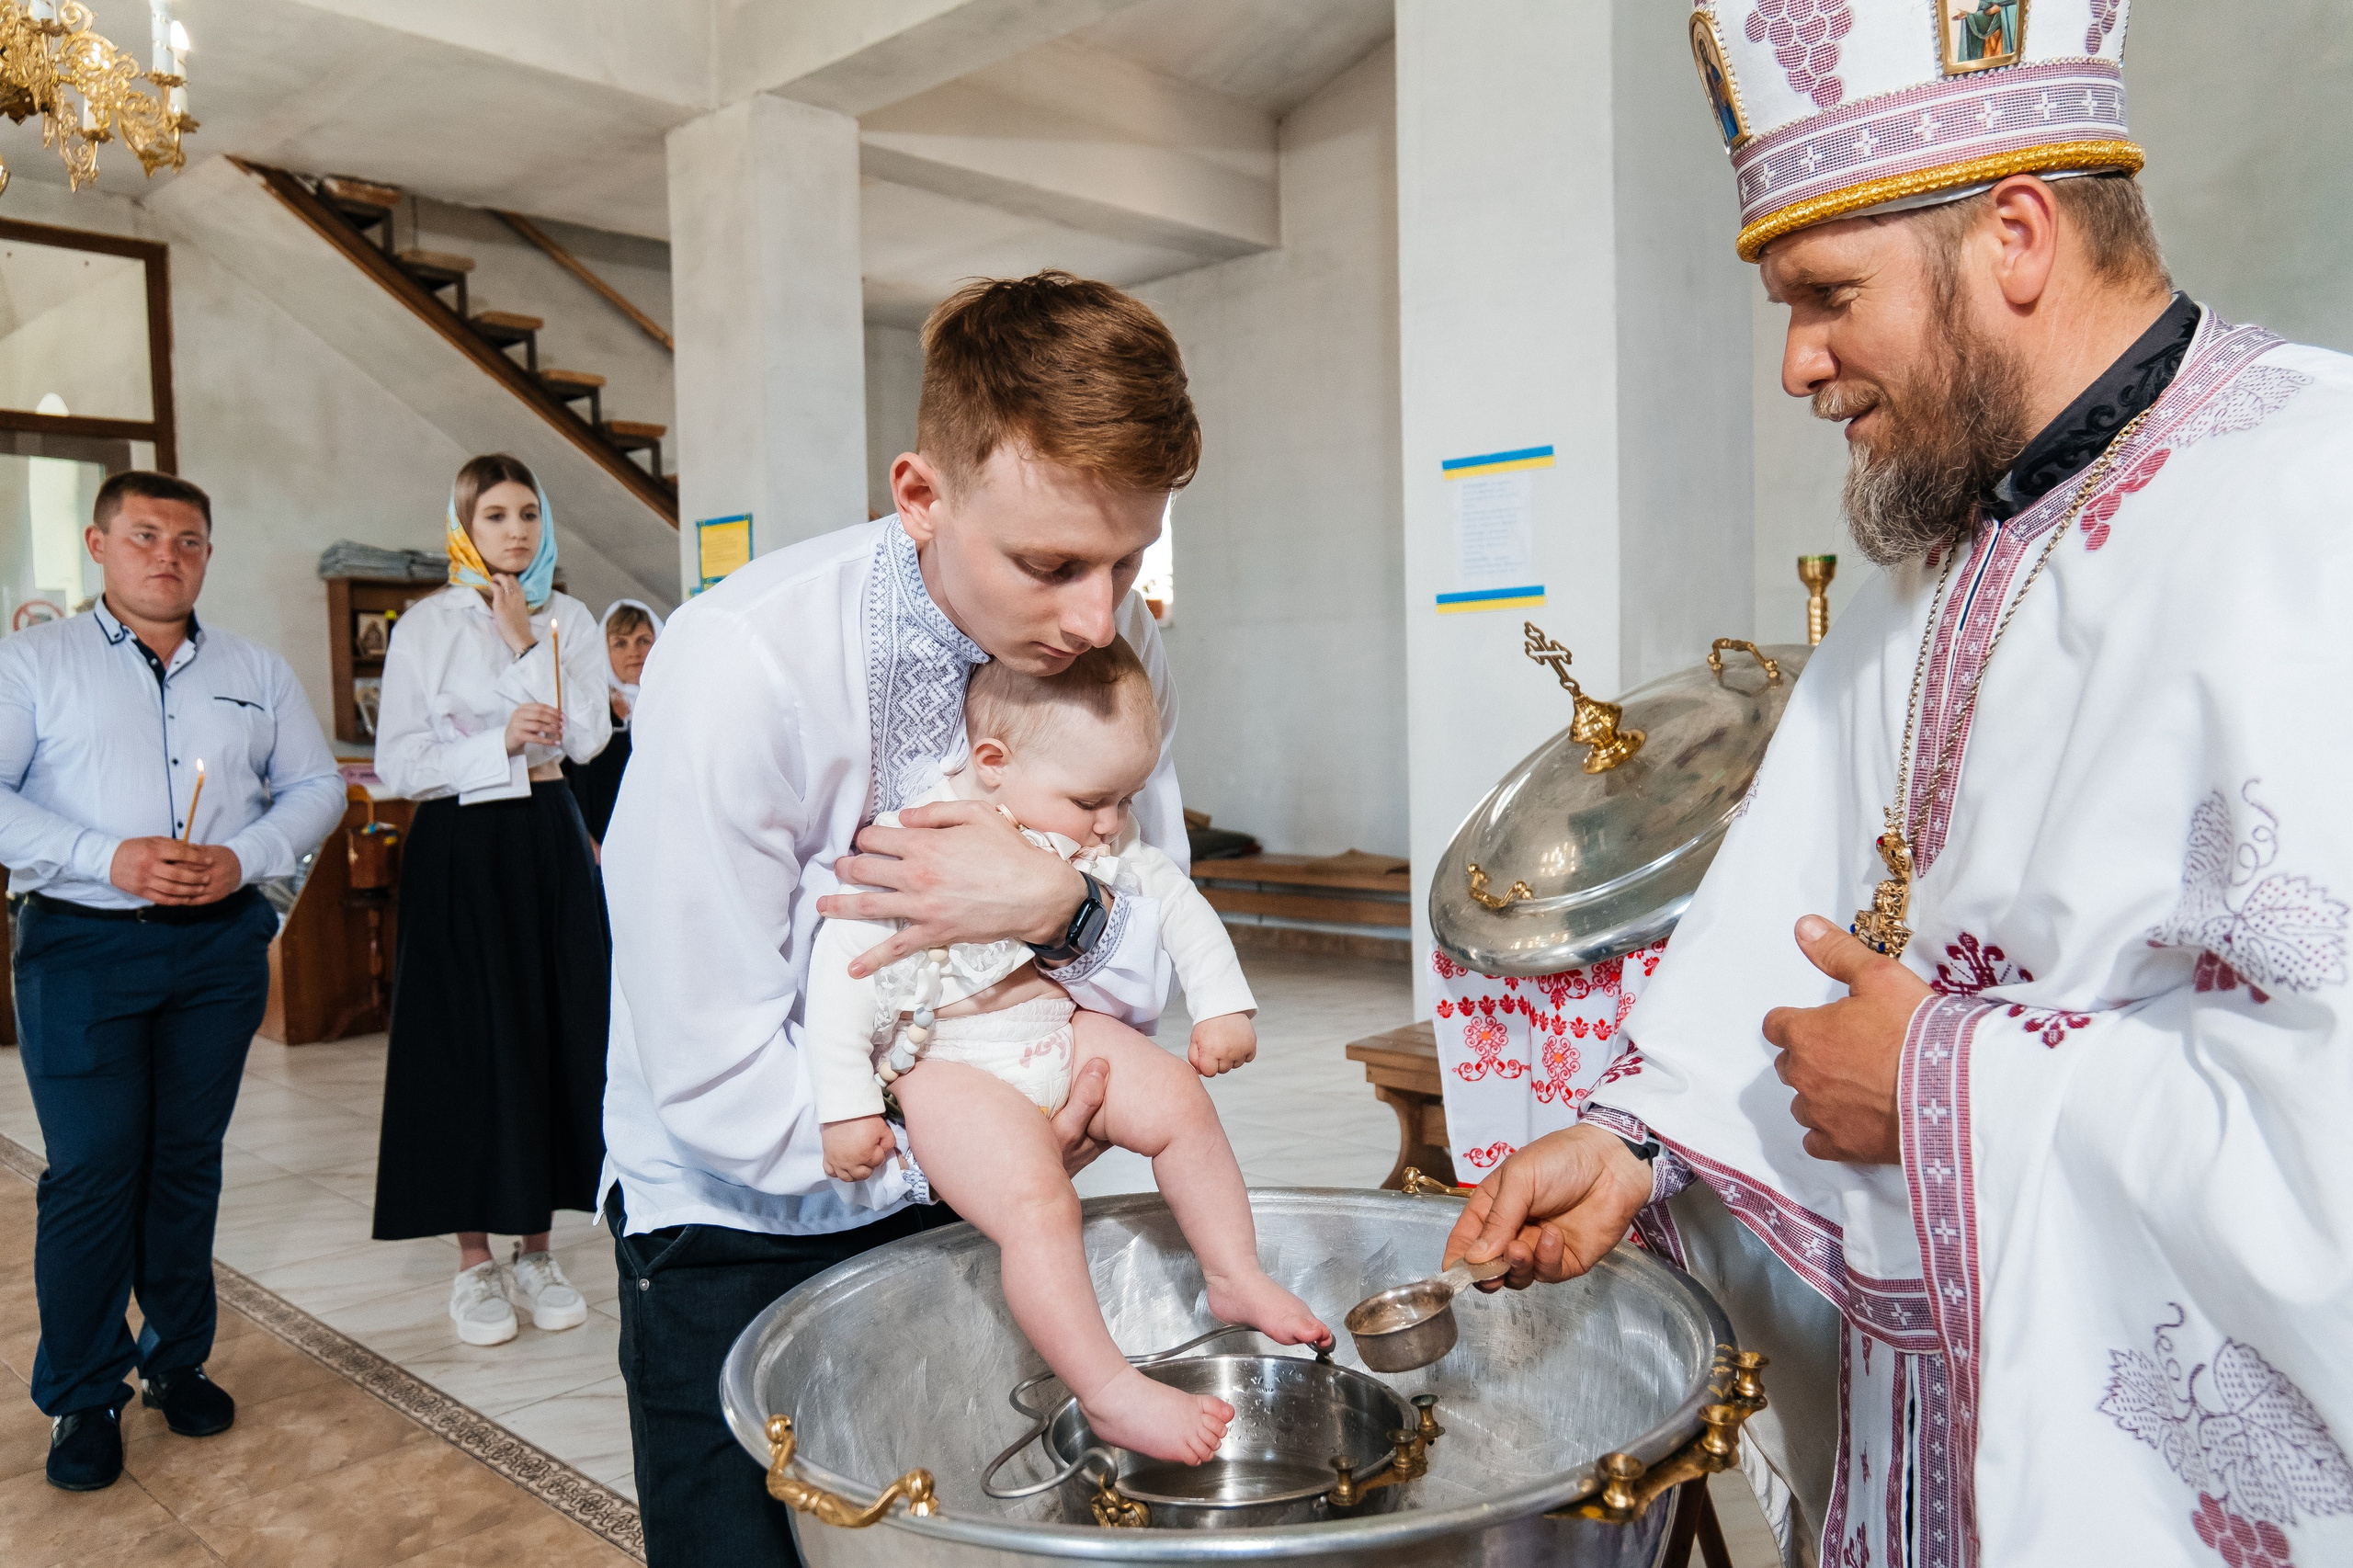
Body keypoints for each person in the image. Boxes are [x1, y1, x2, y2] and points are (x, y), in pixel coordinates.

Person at [1452, 10, 2353, 1566]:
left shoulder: (2314, 501)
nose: (1797, 360)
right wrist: (1636, 1140)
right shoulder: (1928, 563)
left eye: (1823, 294)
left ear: (2016, 235)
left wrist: (1942, 1085)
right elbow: (1784, 934)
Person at [600, 271, 1199, 1566]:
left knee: (981, 1531)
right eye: (1050, 563)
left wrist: (1057, 904)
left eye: (1129, 562)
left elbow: (1147, 941)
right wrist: (979, 1153)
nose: (1100, 619)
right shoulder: (743, 664)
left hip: (984, 1184)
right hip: (741, 1217)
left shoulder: (1108, 654)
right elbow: (708, 1067)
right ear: (920, 493)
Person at [808, 641, 1319, 1464]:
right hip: (950, 1063)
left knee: (1181, 1102)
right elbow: (846, 967)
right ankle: (1109, 1392)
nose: (1113, 822)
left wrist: (1223, 1003)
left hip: (1057, 1030)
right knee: (1039, 1206)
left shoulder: (1088, 837)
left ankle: (1233, 1272)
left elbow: (1176, 902)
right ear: (993, 763)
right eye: (1094, 800)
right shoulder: (920, 837)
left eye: (1126, 798)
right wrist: (848, 1104)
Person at [0, 471, 344, 1490]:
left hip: (213, 947)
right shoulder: (35, 662)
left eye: (189, 539)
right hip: (80, 942)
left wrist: (246, 856)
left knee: (186, 1160)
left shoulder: (254, 668)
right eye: (145, 534)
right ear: (100, 545)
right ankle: (83, 1392)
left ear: (206, 555)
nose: (168, 554)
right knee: (95, 1168)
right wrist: (103, 855)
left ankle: (177, 1358)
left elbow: (318, 784)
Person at [371, 453, 612, 1347]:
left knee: (552, 1027)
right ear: (463, 526)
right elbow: (400, 762)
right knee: (469, 1037)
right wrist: (497, 744)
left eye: (528, 514)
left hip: (546, 836)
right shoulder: (425, 625)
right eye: (495, 515)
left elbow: (585, 737)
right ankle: (474, 1260)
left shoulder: (570, 618)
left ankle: (536, 1245)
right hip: (461, 846)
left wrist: (521, 644)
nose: (515, 531)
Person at [563, 598, 661, 849]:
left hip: (660, 840)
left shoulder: (670, 704)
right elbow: (566, 781)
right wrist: (585, 840)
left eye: (643, 640)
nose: (634, 652)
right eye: (620, 643)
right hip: (599, 843)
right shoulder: (588, 709)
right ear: (603, 651)